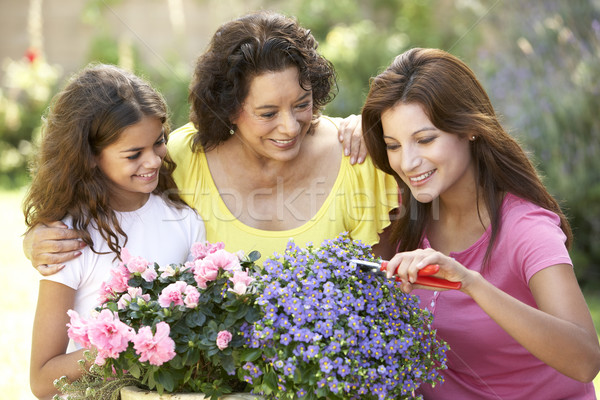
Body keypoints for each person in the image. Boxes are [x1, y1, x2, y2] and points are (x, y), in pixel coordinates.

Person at [23, 11, 399, 272]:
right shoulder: (182, 157)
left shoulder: (357, 155)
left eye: (302, 104)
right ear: (229, 107)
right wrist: (38, 236)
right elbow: (97, 187)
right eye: (267, 113)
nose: (290, 127)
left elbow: (389, 278)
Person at [362, 47, 600, 399]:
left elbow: (584, 360)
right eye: (393, 145)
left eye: (425, 139)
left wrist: (470, 283)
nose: (408, 162)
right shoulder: (399, 221)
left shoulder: (526, 229)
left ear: (469, 129)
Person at [24, 64, 206, 399]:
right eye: (134, 154)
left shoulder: (185, 222)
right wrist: (119, 347)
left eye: (158, 143)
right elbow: (42, 379)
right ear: (90, 157)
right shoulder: (70, 240)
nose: (152, 161)